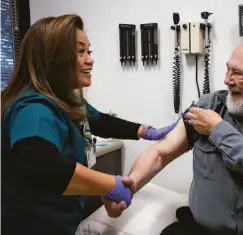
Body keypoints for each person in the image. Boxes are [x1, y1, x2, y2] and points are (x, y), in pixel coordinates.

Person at [115, 33, 243, 235]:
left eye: (238, 73)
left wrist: (218, 130)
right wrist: (132, 183)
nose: (227, 80)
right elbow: (162, 151)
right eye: (227, 70)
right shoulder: (210, 107)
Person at [1, 14, 177, 235]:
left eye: (89, 51)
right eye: (80, 52)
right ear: (53, 58)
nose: (90, 60)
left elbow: (100, 121)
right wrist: (109, 185)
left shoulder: (67, 100)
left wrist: (147, 131)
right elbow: (39, 163)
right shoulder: (34, 108)